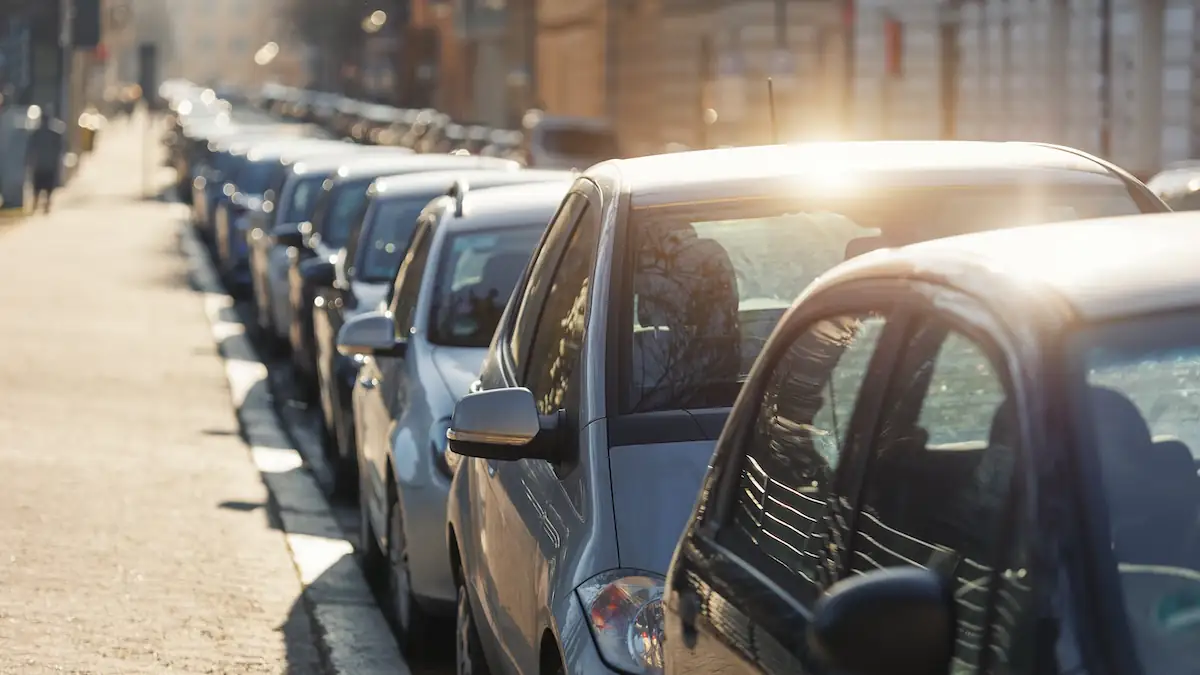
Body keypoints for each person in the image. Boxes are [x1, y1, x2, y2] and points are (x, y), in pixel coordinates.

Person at [27, 109, 64, 214]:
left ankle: (35, 206)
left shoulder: (36, 133)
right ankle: (46, 206)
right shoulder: (54, 134)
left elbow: (30, 149)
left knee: (37, 188)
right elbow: (59, 149)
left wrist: (29, 162)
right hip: (49, 166)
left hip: (39, 166)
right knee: (48, 188)